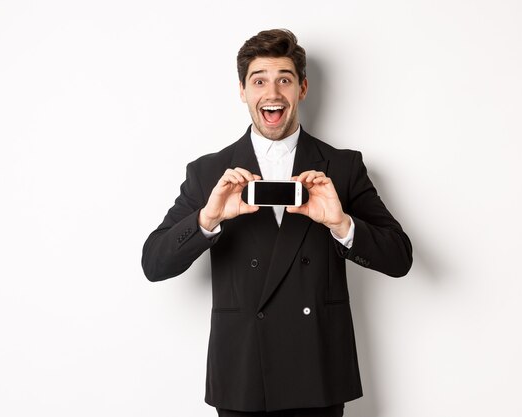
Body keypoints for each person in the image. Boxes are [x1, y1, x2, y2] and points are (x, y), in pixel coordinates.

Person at [142, 29, 412, 417]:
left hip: (318, 372)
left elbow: (399, 258)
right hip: (243, 376)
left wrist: (341, 225)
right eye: (259, 80)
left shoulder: (342, 166)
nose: (272, 93)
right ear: (242, 91)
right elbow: (154, 262)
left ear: (302, 88)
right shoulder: (208, 172)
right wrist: (208, 218)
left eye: (284, 79)